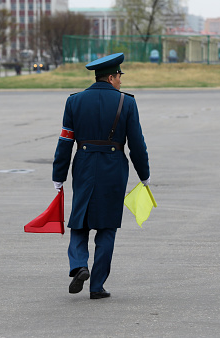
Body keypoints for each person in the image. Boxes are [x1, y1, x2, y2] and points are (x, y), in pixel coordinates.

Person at [52, 53, 150, 299]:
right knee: (107, 227)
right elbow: (137, 143)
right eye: (119, 77)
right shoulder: (126, 103)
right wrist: (144, 174)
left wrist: (58, 174)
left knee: (79, 220)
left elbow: (65, 140)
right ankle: (97, 286)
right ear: (110, 76)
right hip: (113, 167)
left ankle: (79, 265)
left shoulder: (74, 101)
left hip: (84, 165)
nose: (120, 82)